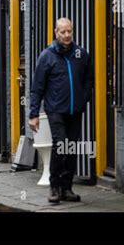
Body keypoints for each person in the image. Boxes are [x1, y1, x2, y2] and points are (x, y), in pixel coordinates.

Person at [29, 18, 94, 204]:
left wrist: (84, 98)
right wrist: (33, 114)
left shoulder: (81, 54)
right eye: (62, 32)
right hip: (55, 110)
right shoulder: (47, 56)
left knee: (71, 147)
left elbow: (89, 78)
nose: (66, 35)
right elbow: (37, 87)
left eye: (69, 32)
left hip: (75, 110)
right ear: (55, 32)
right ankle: (54, 187)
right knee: (61, 144)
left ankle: (67, 188)